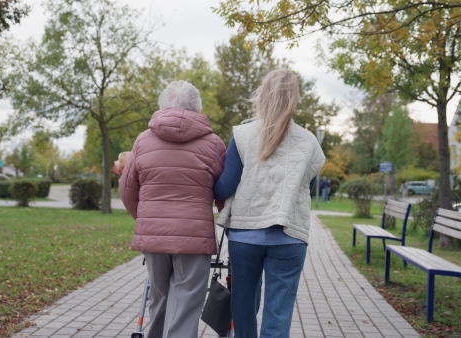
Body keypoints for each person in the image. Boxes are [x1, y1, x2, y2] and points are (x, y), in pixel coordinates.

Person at [214, 68, 325, 338]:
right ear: (295, 99)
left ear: (262, 95)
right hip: (289, 238)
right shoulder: (309, 141)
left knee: (243, 308)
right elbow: (307, 186)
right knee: (279, 313)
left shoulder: (242, 134)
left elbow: (226, 185)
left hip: (244, 236)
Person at [119, 80, 226, 338]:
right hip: (194, 236)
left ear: (164, 105)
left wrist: (146, 219)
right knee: (186, 301)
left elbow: (127, 189)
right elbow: (225, 192)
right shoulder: (214, 144)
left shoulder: (143, 141)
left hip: (153, 235)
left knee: (159, 296)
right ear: (197, 108)